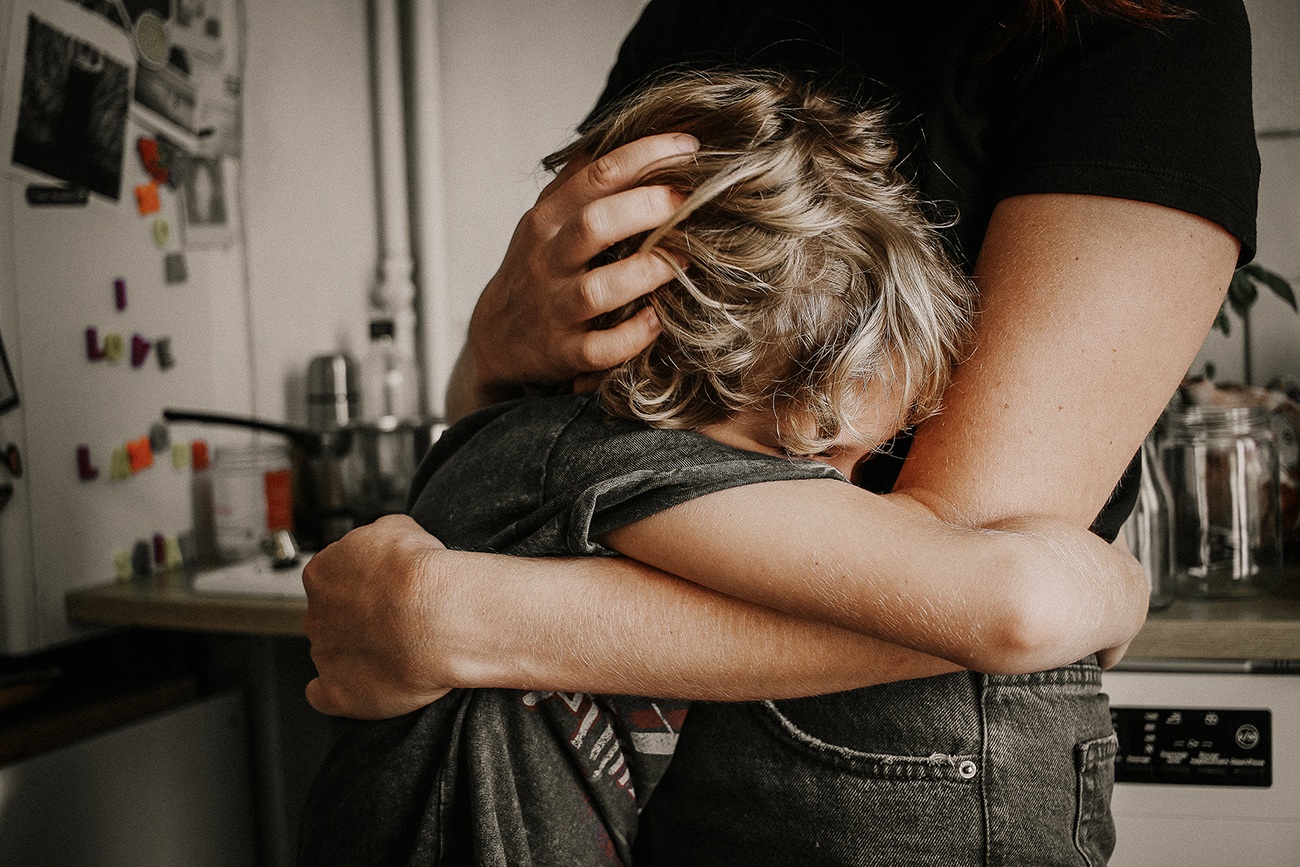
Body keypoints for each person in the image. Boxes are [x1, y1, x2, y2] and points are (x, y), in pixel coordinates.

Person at [302, 1, 1259, 863]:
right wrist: (1118, 586)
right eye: (827, 453)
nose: (841, 490)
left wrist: (459, 614)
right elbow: (1000, 598)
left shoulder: (592, 445)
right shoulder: (630, 461)